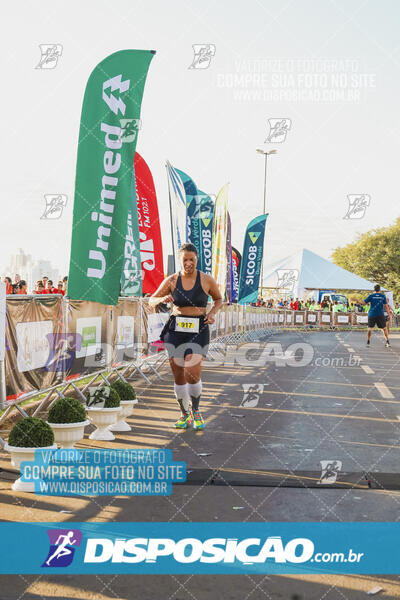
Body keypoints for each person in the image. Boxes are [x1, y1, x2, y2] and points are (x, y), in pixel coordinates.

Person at [150, 243, 222, 430]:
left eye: (192, 259)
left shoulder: (206, 280)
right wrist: (161, 299)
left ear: (197, 260)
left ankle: (196, 410)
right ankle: (184, 415)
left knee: (192, 370)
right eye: (185, 259)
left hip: (198, 328)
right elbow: (151, 299)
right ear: (180, 260)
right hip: (176, 329)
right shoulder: (172, 280)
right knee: (178, 373)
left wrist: (212, 313)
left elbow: (219, 299)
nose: (189, 263)